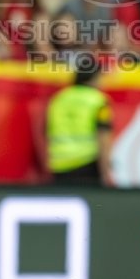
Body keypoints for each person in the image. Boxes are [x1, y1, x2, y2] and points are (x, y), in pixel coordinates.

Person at [45, 53, 114, 186]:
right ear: (94, 77)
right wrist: (106, 171)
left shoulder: (58, 99)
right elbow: (103, 136)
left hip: (59, 165)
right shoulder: (99, 101)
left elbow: (47, 132)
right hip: (87, 164)